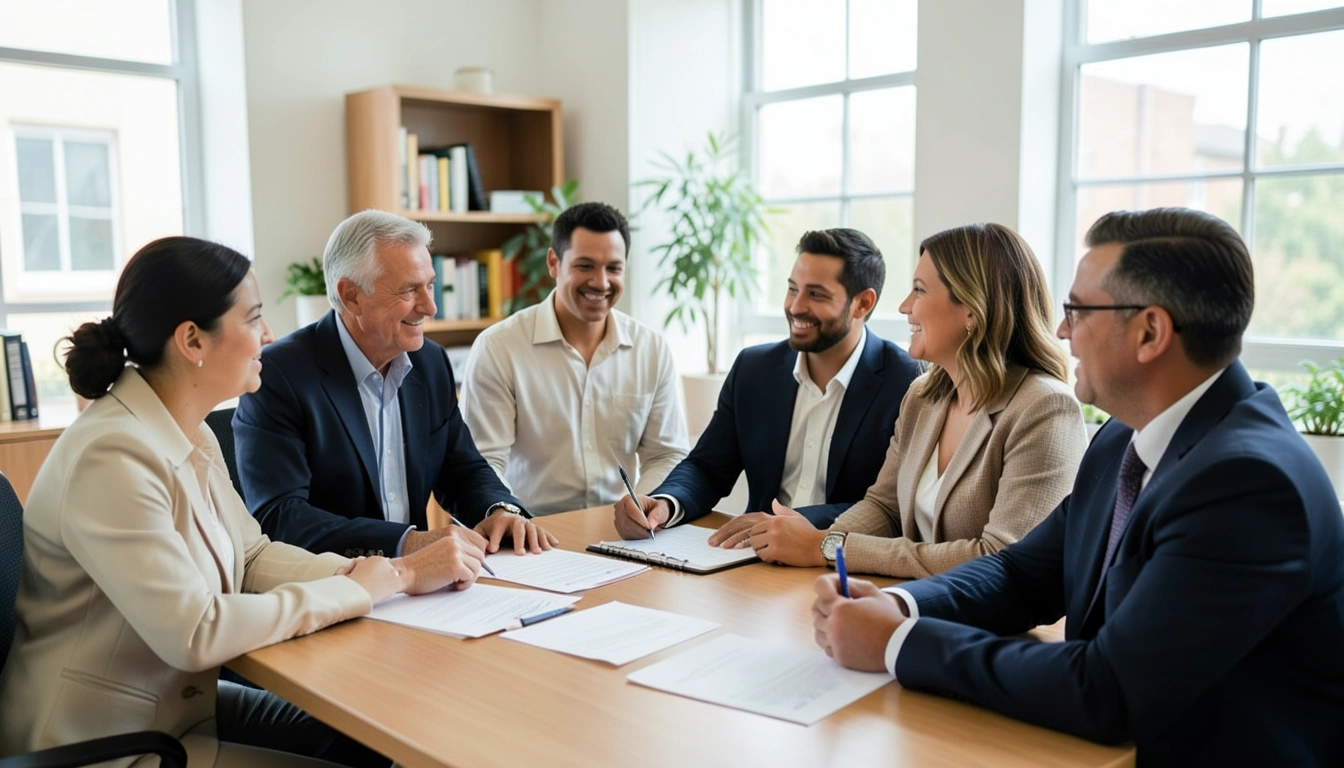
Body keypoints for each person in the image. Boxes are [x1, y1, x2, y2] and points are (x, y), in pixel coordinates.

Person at [812, 208, 1344, 766]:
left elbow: (1108, 688)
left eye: (1079, 311)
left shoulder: (1247, 484)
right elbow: (1022, 572)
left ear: (1150, 332)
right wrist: (898, 605)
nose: (1062, 330)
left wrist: (898, 644)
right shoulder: (1123, 438)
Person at [0, 237, 483, 767]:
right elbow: (195, 631)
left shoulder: (190, 432)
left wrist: (381, 573)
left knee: (367, 737)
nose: (269, 336)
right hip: (105, 741)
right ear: (192, 341)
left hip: (176, 706)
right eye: (253, 319)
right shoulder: (110, 456)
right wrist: (374, 588)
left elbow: (252, 556)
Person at [722, 223, 1086, 578]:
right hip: (909, 604)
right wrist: (819, 542)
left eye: (919, 290)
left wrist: (828, 549)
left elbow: (998, 558)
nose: (904, 306)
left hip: (980, 627)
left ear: (972, 310)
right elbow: (884, 507)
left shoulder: (1044, 409)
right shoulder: (924, 396)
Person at [234, 210, 555, 562]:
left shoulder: (429, 362)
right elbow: (280, 517)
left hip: (423, 583)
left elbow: (462, 468)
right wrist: (405, 543)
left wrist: (499, 511)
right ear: (351, 296)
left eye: (430, 285)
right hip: (333, 586)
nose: (430, 307)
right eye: (409, 290)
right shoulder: (279, 374)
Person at [614, 228, 923, 540]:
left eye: (816, 294)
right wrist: (665, 504)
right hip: (753, 559)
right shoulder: (754, 369)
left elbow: (891, 506)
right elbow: (707, 467)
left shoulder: (906, 381)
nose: (795, 306)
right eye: (792, 289)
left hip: (843, 564)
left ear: (863, 304)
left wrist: (792, 522)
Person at [461, 202, 688, 515]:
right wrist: (509, 518)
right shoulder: (499, 348)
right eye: (585, 266)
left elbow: (667, 455)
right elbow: (483, 462)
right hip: (532, 533)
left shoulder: (651, 349)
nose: (601, 282)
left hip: (621, 532)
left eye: (613, 268)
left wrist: (641, 509)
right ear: (554, 263)